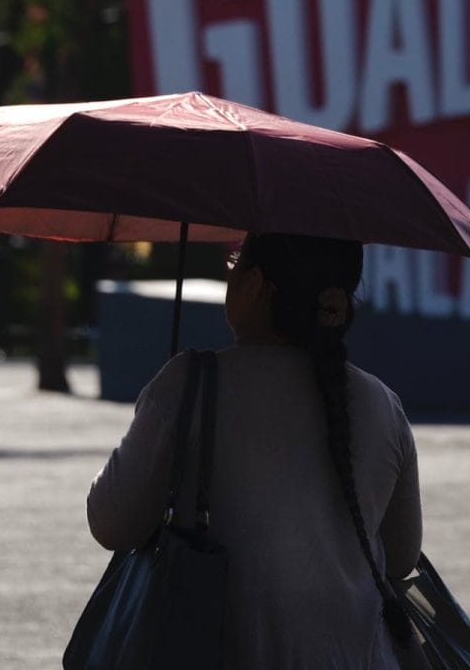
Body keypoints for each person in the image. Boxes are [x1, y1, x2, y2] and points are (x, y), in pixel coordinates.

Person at [86, 232, 423, 669]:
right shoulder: (382, 403)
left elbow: (112, 524)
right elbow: (400, 557)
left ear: (256, 284)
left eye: (233, 263)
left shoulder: (190, 383)